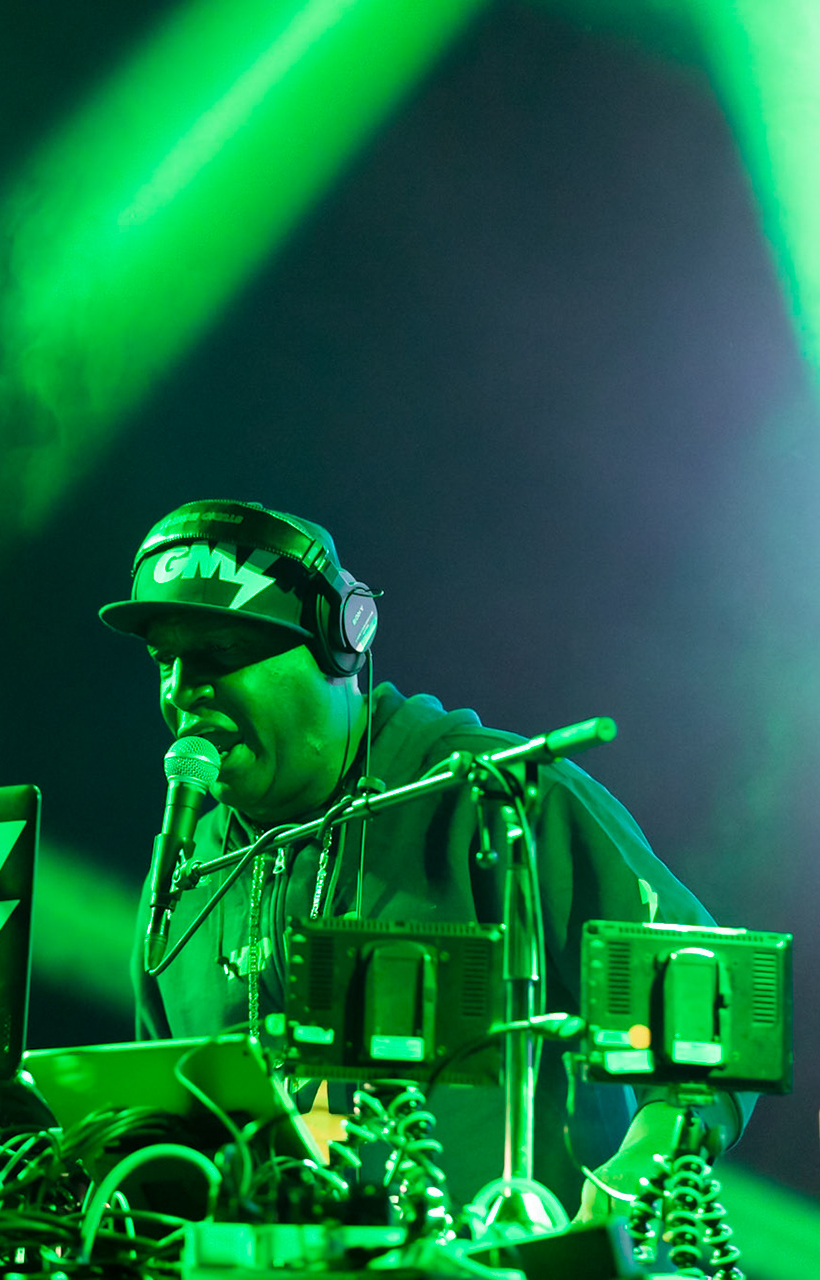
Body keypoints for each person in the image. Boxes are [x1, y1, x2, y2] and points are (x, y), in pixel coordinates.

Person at [99, 498, 749, 1224]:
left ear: (340, 646)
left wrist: (639, 1173)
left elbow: (715, 1018)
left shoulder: (498, 797)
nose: (183, 691)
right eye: (165, 660)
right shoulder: (182, 883)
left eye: (218, 654)